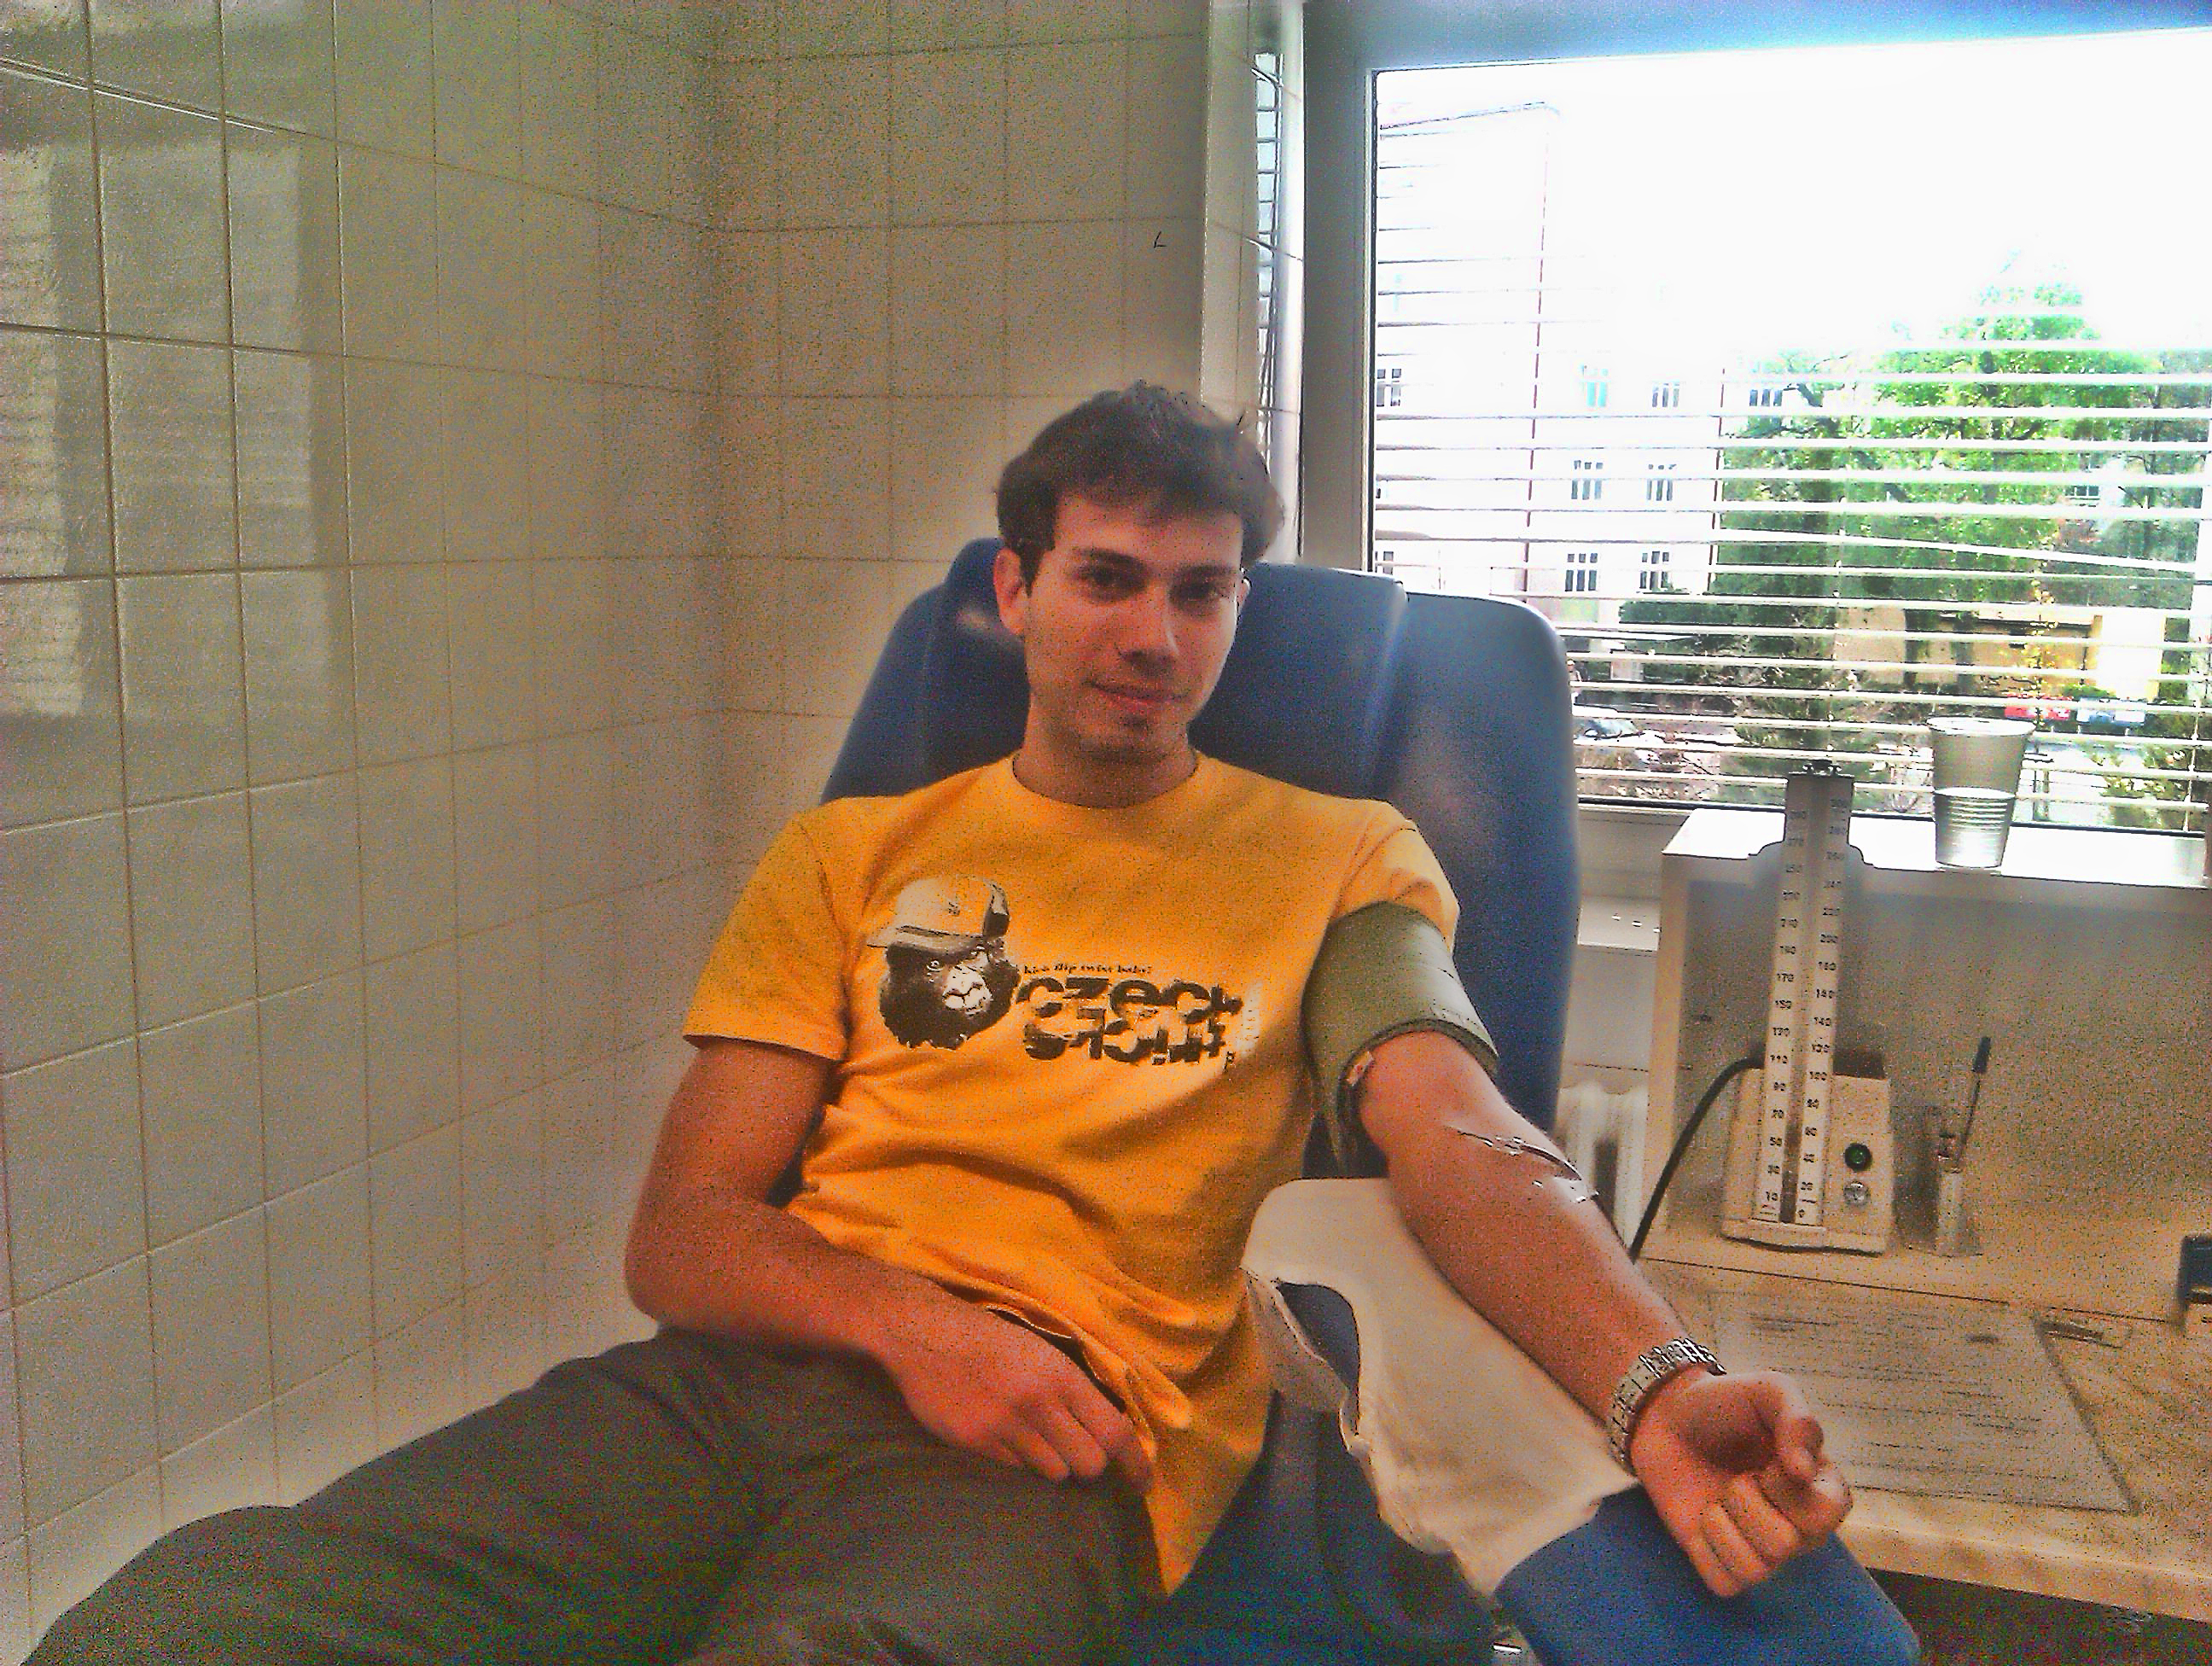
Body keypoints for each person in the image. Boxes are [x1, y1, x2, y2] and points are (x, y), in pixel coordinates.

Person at [31, 385, 1848, 1666]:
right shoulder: (856, 855)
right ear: (1016, 592)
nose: (1155, 632)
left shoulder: (1340, 857)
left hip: (1052, 1442)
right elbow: (687, 1233)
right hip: (730, 1393)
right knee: (199, 1613)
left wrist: (1660, 1387)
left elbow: (1459, 1137)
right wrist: (914, 1327)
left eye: (1202, 589)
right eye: (1108, 576)